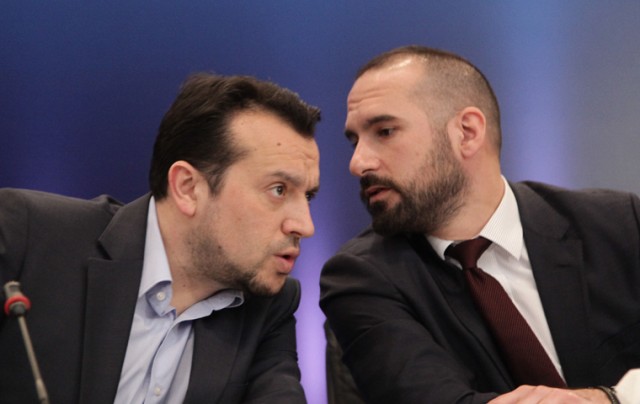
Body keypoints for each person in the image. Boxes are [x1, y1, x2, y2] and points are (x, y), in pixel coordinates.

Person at [320, 45, 640, 403]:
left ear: (467, 132)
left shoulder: (620, 224)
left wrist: (610, 398)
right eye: (354, 141)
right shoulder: (361, 278)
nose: (358, 163)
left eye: (384, 131)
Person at [0, 73, 321, 403]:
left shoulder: (270, 305)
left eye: (308, 196)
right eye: (278, 190)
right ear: (188, 188)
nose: (305, 225)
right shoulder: (29, 236)